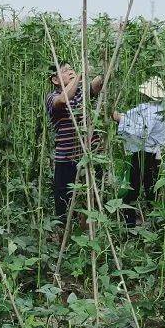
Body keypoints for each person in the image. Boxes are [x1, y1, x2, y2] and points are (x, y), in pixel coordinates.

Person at [45, 63, 103, 225]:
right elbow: (63, 100)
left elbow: (97, 85)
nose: (70, 72)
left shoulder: (81, 92)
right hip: (67, 160)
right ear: (55, 80)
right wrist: (80, 75)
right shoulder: (52, 97)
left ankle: (87, 235)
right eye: (65, 71)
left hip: (90, 156)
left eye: (72, 69)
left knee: (93, 200)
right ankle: (63, 237)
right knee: (64, 204)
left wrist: (103, 67)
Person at [112, 77, 165, 226]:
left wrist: (120, 119)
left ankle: (130, 223)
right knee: (152, 189)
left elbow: (141, 131)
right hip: (156, 154)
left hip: (144, 153)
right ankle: (157, 224)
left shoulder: (151, 110)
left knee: (133, 188)